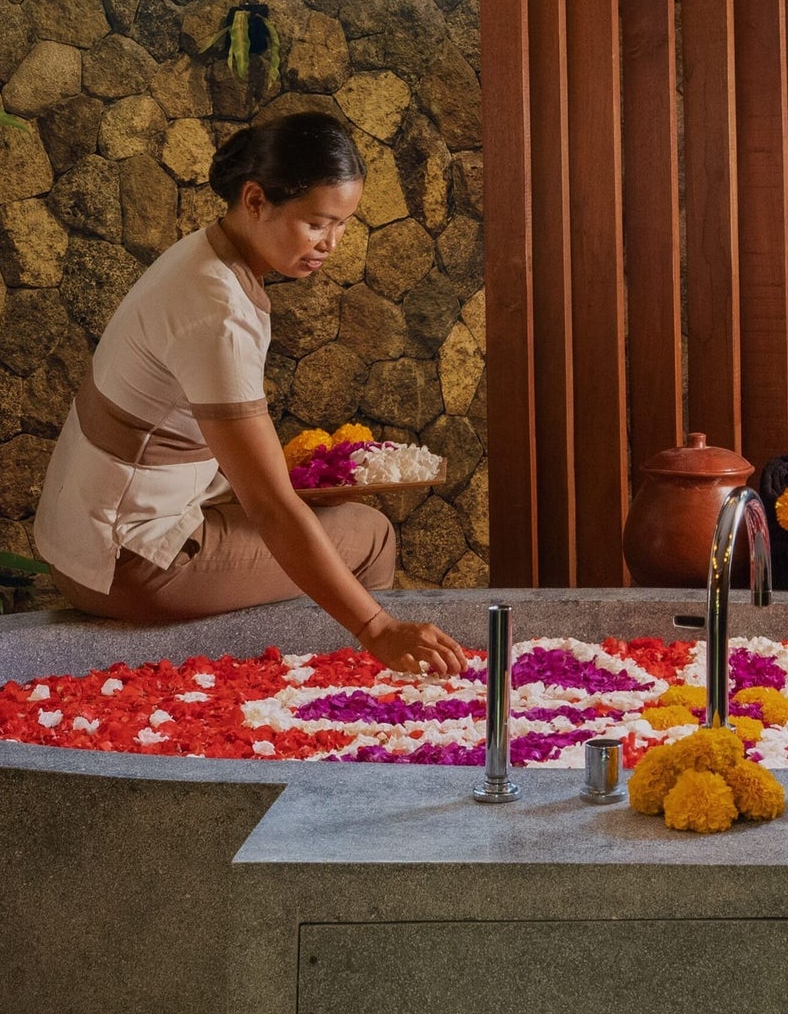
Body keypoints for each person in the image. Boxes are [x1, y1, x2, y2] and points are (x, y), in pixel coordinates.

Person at [31, 111, 467, 677]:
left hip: (87, 541)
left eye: (342, 225)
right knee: (370, 536)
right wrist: (378, 628)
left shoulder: (201, 256)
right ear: (256, 200)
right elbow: (268, 506)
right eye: (317, 223)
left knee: (324, 510)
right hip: (126, 562)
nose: (331, 243)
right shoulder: (217, 310)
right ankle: (342, 691)